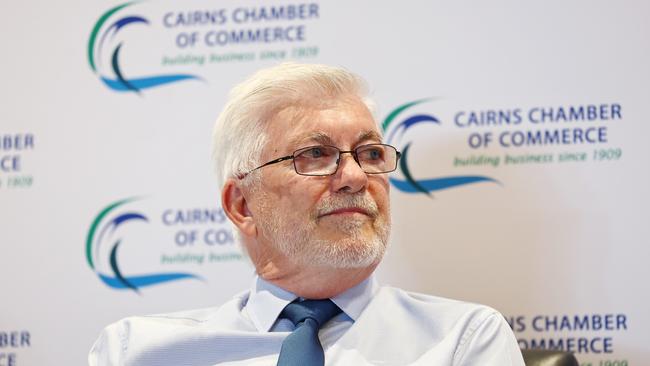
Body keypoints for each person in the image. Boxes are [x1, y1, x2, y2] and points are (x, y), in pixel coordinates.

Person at [89, 63, 525, 365]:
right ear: (242, 205)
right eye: (316, 154)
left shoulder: (462, 341)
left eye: (371, 153)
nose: (354, 176)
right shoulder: (137, 351)